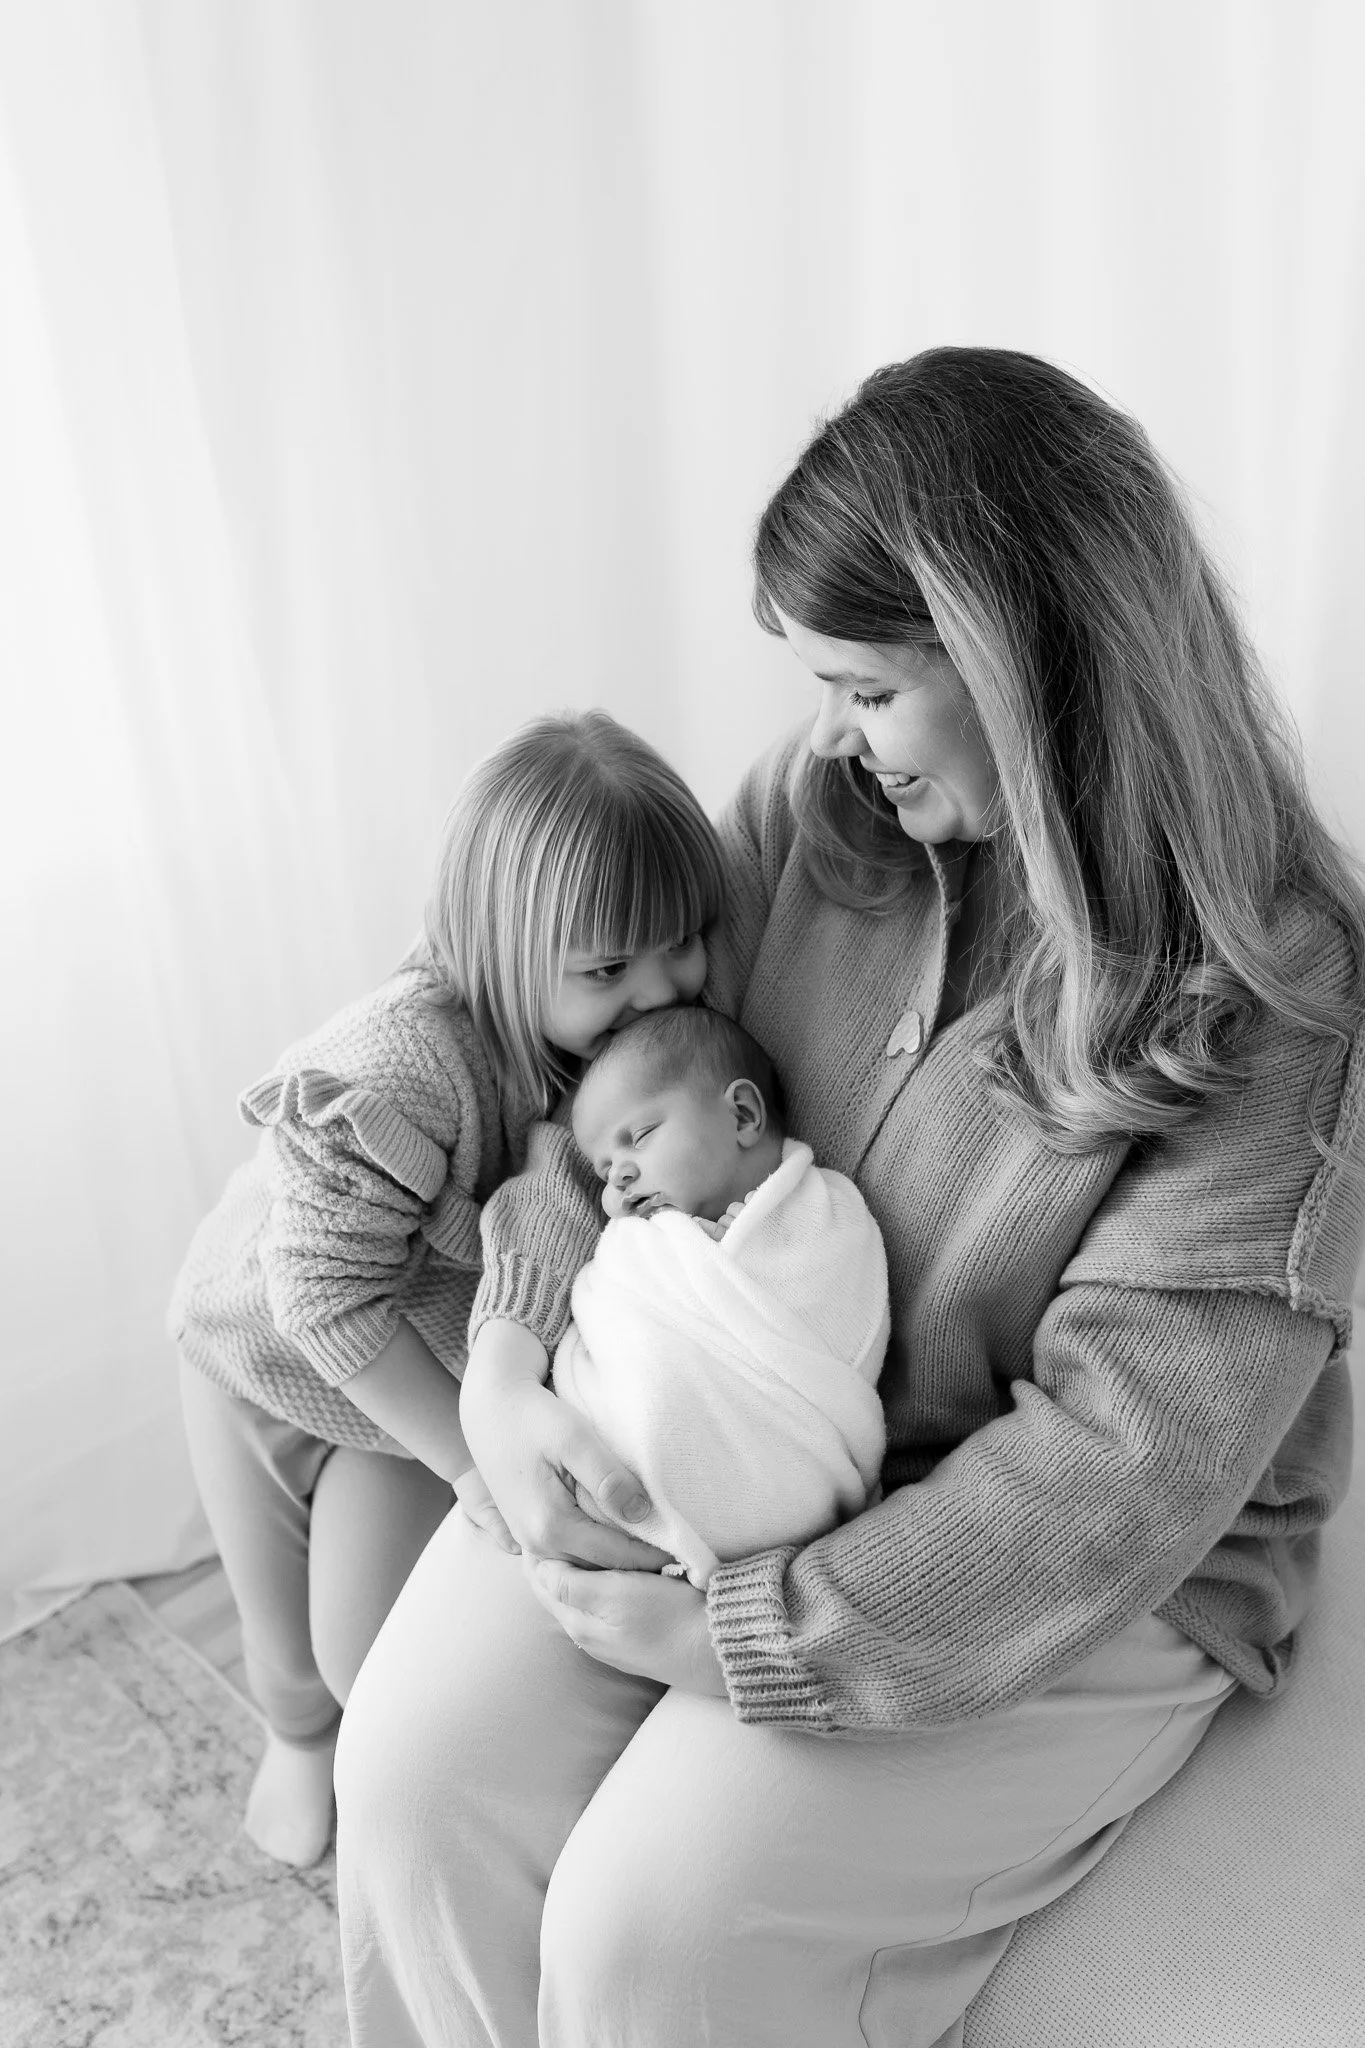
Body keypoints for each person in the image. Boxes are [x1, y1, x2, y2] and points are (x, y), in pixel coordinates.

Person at [334, 347, 1365, 2048]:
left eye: (873, 688)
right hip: (747, 1430)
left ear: (1031, 668)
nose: (836, 736)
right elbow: (615, 1091)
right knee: (415, 1769)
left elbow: (1121, 1473)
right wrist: (506, 1367)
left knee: (650, 1931)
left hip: (1080, 1567)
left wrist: (763, 1629)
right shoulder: (828, 813)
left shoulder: (1275, 994)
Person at [168, 709, 724, 1868]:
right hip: (261, 1353)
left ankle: (340, 1721)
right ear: (502, 949)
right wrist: (470, 1458)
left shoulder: (617, 1050)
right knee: (291, 1653)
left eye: (686, 941)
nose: (663, 986)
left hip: (403, 1349)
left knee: (366, 1653)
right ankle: (294, 1737)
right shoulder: (408, 1064)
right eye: (610, 968)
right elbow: (322, 1294)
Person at [553, 1004, 889, 1586]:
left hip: (785, 1491)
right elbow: (612, 1318)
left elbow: (840, 1337)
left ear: (741, 1114)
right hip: (605, 1503)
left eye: (639, 1137)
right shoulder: (649, 1251)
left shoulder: (825, 1218)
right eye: (604, 1169)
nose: (619, 1178)